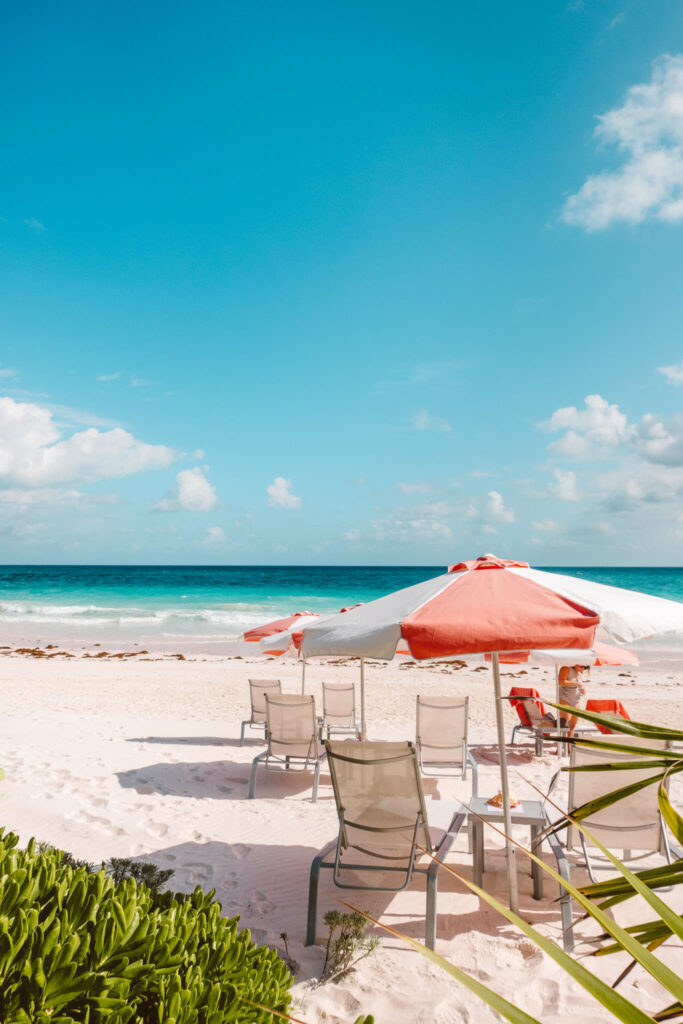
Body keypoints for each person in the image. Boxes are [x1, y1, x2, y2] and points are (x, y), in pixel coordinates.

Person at [557, 664, 588, 737]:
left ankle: (569, 747)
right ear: (576, 664)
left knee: (572, 728)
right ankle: (560, 747)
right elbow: (561, 682)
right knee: (565, 726)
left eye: (585, 667)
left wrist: (583, 690)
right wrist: (576, 683)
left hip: (576, 701)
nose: (583, 669)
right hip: (565, 699)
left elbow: (580, 688)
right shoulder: (566, 668)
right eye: (581, 666)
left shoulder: (579, 673)